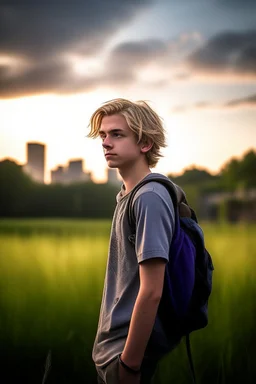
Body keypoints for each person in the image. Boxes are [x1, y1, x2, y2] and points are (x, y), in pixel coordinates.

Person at [88, 98, 179, 384]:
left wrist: (129, 365)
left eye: (117, 134)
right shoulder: (128, 196)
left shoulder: (149, 197)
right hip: (113, 351)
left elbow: (152, 290)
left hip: (126, 356)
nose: (105, 143)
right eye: (103, 135)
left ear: (145, 144)